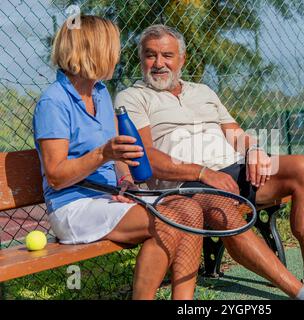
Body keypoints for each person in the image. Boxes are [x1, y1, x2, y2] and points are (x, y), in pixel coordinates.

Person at [115, 25, 304, 300]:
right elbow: (146, 156)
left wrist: (254, 150)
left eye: (167, 55)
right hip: (186, 184)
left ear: (182, 59)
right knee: (222, 208)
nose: (159, 63)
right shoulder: (132, 97)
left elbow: (234, 133)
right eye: (150, 55)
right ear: (140, 58)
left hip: (233, 170)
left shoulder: (203, 91)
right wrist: (203, 173)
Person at [32, 16, 203, 300]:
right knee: (167, 220)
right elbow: (56, 176)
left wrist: (125, 181)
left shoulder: (99, 92)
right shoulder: (54, 102)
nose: (117, 53)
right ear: (91, 50)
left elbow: (119, 151)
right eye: (112, 46)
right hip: (73, 206)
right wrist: (103, 154)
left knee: (190, 211)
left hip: (108, 198)